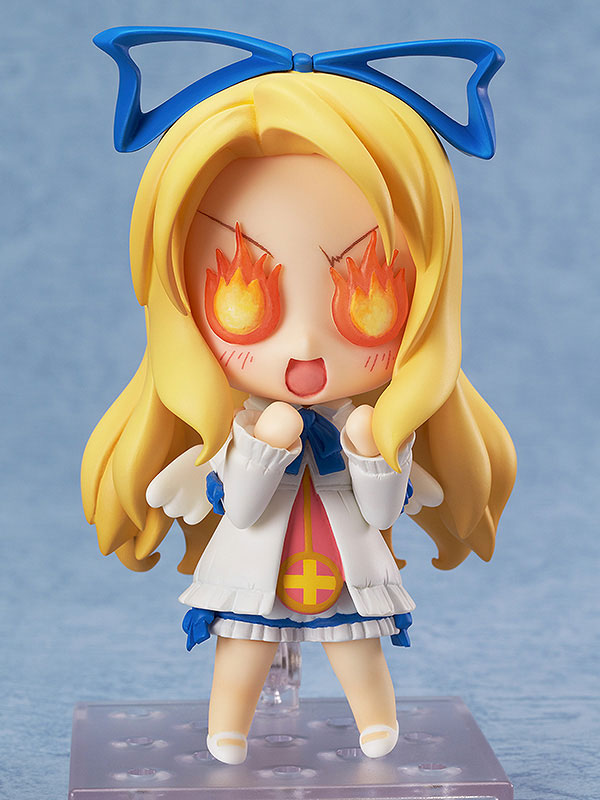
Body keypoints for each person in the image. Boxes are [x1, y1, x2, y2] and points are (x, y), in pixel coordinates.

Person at [82, 30, 516, 765]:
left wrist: (370, 450)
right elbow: (241, 507)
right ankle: (227, 727)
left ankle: (376, 724)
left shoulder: (368, 423)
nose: (306, 345)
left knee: (358, 640)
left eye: (371, 302)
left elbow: (383, 513)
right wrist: (263, 446)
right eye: (241, 303)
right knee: (243, 638)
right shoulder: (241, 427)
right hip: (254, 558)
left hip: (346, 556)